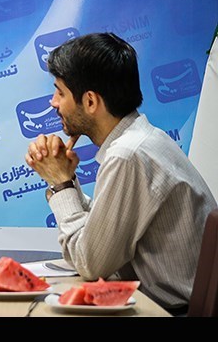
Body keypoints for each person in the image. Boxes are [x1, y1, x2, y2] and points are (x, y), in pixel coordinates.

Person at [25, 32, 217, 313]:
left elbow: (90, 263)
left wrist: (61, 183)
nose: (53, 102)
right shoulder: (139, 140)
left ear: (91, 102)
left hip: (168, 311)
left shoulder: (127, 154)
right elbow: (104, 234)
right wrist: (66, 180)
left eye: (60, 92)